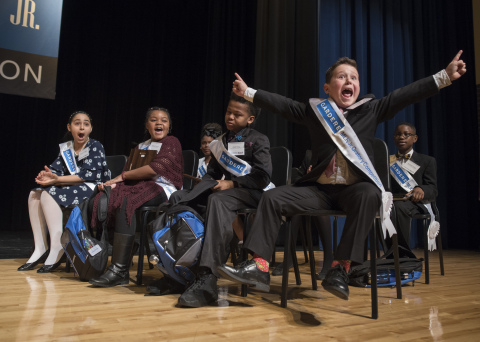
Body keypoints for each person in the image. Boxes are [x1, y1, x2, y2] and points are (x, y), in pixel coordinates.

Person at [217, 51, 466, 301]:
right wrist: (249, 92)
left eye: (354, 77)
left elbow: (406, 94)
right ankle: (259, 266)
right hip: (319, 191)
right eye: (341, 77)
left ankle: (340, 268)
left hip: (354, 191)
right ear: (328, 87)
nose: (349, 81)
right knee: (273, 197)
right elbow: (284, 105)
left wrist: (444, 76)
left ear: (358, 86)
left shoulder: (372, 109)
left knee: (370, 194)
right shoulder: (316, 111)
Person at [169, 92, 272, 308]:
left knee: (218, 200)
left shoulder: (258, 139)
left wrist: (233, 184)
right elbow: (213, 173)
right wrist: (199, 189)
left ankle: (208, 279)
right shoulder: (220, 142)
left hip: (251, 194)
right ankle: (176, 270)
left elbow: (263, 177)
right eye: (228, 112)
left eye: (237, 114)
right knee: (179, 197)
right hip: (228, 194)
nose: (230, 117)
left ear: (250, 119)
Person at [89, 107, 184, 287]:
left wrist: (122, 178)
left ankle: (119, 270)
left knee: (128, 202)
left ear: (169, 125)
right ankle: (123, 249)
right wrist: (111, 184)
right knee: (105, 198)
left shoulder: (172, 142)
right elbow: (128, 172)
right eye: (154, 120)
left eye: (164, 120)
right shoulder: (141, 147)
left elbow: (156, 169)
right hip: (137, 186)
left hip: (162, 188)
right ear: (147, 125)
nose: (159, 123)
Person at [19, 111, 110, 273]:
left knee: (49, 192)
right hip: (72, 186)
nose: (82, 127)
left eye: (86, 124)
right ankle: (40, 247)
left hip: (93, 187)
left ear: (90, 128)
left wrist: (56, 180)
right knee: (35, 193)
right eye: (77, 123)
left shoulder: (95, 145)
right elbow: (55, 171)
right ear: (69, 127)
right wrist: (46, 175)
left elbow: (87, 176)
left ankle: (57, 247)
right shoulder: (67, 148)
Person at [271, 150, 333, 280]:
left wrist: (318, 177)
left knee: (320, 209)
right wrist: (309, 177)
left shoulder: (335, 154)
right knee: (294, 206)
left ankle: (328, 259)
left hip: (331, 196)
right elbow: (297, 180)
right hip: (310, 195)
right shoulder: (311, 155)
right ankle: (289, 258)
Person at [387, 122, 438, 257]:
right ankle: (390, 254)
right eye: (398, 134)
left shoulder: (427, 161)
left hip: (416, 203)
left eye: (406, 134)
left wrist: (421, 189)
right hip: (393, 201)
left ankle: (402, 257)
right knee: (383, 208)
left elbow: (433, 188)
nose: (401, 137)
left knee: (398, 208)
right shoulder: (388, 161)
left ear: (415, 138)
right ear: (394, 138)